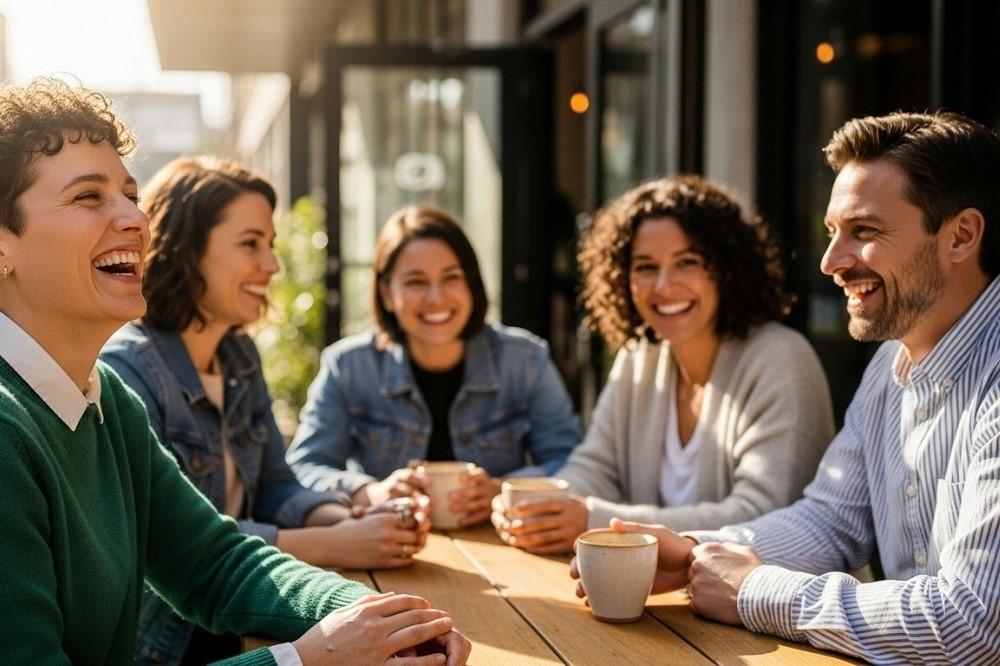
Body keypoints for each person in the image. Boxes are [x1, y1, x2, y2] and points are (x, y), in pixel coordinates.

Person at [0, 77, 470, 665]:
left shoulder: (104, 399)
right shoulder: (8, 431)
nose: (136, 219)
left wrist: (383, 617)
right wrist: (305, 659)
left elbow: (214, 560)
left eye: (129, 194)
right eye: (89, 197)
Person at [573, 111, 1000, 664]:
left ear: (961, 236)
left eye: (864, 232)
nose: (831, 262)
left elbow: (974, 623)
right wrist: (700, 555)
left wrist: (755, 590)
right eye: (832, 234)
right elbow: (829, 520)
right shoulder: (888, 370)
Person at [100, 156, 431, 664]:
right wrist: (339, 543)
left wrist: (352, 515)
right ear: (187, 249)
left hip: (252, 609)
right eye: (250, 244)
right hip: (174, 643)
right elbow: (183, 541)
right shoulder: (128, 370)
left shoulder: (238, 357)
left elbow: (277, 483)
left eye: (270, 245)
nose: (272, 266)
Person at [491, 175, 834, 554]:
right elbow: (594, 470)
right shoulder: (640, 358)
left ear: (727, 268)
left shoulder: (782, 359)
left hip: (775, 607)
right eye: (645, 267)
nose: (663, 286)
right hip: (659, 598)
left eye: (687, 262)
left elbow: (763, 515)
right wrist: (536, 507)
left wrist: (592, 520)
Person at [287, 206, 582, 527]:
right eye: (416, 281)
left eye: (451, 278)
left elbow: (570, 460)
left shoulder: (525, 359)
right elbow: (305, 466)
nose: (436, 298)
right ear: (387, 293)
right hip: (387, 545)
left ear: (471, 283)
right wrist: (369, 492)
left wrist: (503, 491)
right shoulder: (348, 366)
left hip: (502, 545)